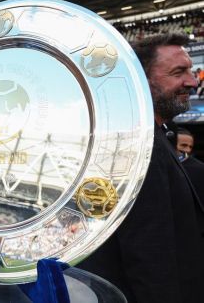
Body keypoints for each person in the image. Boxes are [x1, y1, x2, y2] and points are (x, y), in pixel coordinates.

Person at [78, 33, 204, 303]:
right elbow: (150, 255)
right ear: (142, 80)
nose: (192, 81)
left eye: (192, 71)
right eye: (178, 72)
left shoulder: (148, 136)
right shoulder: (140, 147)